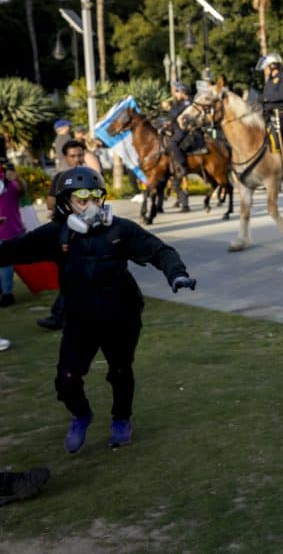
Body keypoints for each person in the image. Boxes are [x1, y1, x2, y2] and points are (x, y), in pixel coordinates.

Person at [0, 167, 196, 453]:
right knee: (66, 380)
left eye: (95, 196)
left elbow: (159, 251)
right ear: (66, 202)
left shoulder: (120, 229)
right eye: (82, 198)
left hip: (122, 315)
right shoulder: (57, 234)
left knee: (120, 371)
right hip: (80, 319)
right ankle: (81, 415)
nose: (90, 204)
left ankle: (121, 419)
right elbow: (13, 250)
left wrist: (176, 274)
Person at [38, 139, 89, 331]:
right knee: (69, 274)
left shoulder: (90, 175)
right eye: (73, 156)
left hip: (89, 231)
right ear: (65, 157)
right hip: (67, 231)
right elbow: (50, 205)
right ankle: (60, 314)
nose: (77, 159)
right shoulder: (60, 178)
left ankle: (60, 315)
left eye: (80, 155)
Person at [0, 156, 26, 307]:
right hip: (12, 229)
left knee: (5, 263)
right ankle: (6, 292)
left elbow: (22, 191)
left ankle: (6, 293)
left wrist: (17, 178)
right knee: (5, 263)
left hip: (10, 230)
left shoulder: (9, 180)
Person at [165, 81, 193, 212]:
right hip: (176, 129)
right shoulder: (178, 103)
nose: (174, 94)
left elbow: (175, 115)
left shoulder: (188, 102)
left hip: (185, 130)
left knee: (173, 143)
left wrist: (169, 108)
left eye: (176, 91)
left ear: (183, 92)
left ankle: (181, 164)